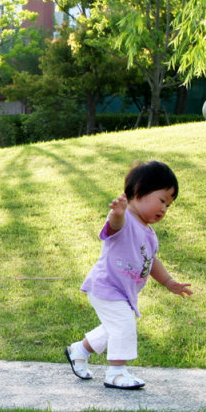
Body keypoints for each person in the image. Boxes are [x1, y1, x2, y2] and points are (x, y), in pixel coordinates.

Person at [65, 161, 193, 389]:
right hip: (107, 287)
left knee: (114, 328)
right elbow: (114, 226)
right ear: (137, 191)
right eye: (162, 200)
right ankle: (116, 373)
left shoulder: (149, 233)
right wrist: (117, 213)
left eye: (169, 205)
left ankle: (79, 350)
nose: (164, 209)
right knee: (123, 326)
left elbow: (152, 261)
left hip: (123, 292)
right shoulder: (124, 220)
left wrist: (169, 282)